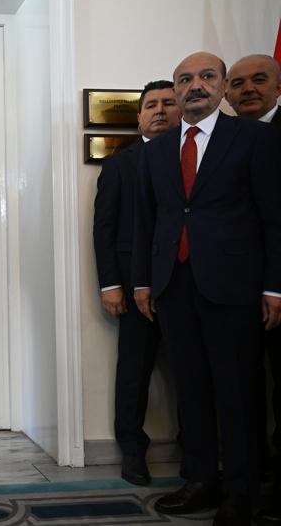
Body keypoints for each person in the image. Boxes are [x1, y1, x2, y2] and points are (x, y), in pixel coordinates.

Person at [132, 51, 281, 526]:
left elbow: (274, 216)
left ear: (221, 86)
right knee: (190, 388)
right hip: (173, 287)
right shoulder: (156, 150)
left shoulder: (255, 138)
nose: (194, 85)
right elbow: (146, 221)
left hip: (234, 286)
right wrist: (143, 281)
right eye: (184, 79)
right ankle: (200, 479)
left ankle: (240, 490)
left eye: (206, 76)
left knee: (238, 391)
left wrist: (274, 287)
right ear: (176, 89)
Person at [93, 80, 181, 486]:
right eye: (151, 105)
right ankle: (132, 452)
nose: (160, 110)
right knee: (133, 371)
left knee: (192, 374)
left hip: (188, 285)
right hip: (133, 288)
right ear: (140, 116)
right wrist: (110, 284)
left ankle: (196, 453)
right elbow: (104, 228)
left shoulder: (196, 157)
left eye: (168, 103)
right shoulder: (118, 165)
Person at [225, 53, 281, 526]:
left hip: (275, 286)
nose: (248, 90)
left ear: (278, 86)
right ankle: (252, 481)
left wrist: (275, 286)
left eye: (259, 80)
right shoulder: (226, 138)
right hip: (236, 290)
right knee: (245, 390)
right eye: (238, 82)